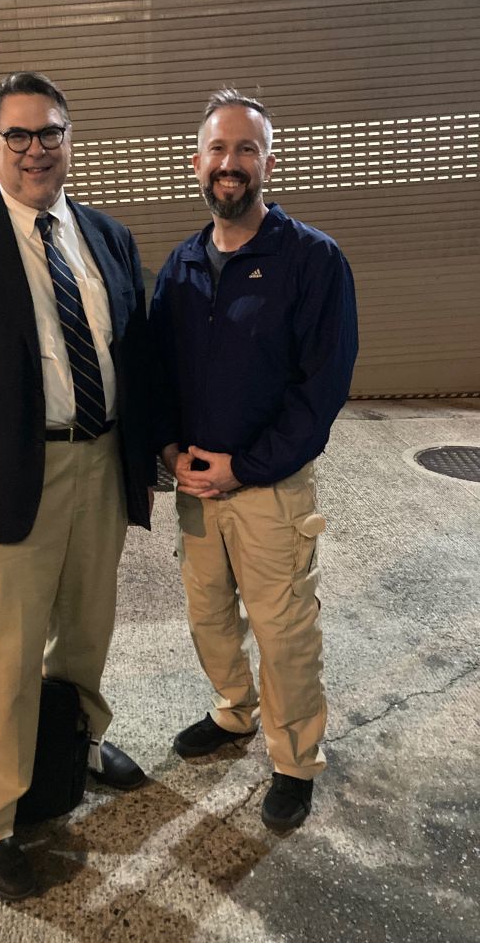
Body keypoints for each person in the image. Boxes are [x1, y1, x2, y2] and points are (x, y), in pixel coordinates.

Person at [0, 71, 154, 900]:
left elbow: (135, 354)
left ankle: (76, 745)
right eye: (17, 135)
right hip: (7, 481)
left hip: (101, 464)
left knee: (86, 631)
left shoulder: (108, 237)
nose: (35, 149)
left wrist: (153, 452)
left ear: (69, 139)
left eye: (49, 132)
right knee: (2, 658)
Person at [149, 87, 358, 833]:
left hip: (270, 490)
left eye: (245, 149)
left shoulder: (311, 260)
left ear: (268, 162)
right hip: (195, 489)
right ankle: (234, 712)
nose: (229, 163)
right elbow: (158, 373)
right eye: (217, 149)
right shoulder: (181, 265)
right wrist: (170, 451)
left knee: (284, 630)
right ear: (197, 161)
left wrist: (247, 465)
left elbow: (321, 389)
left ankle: (295, 760)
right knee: (209, 615)